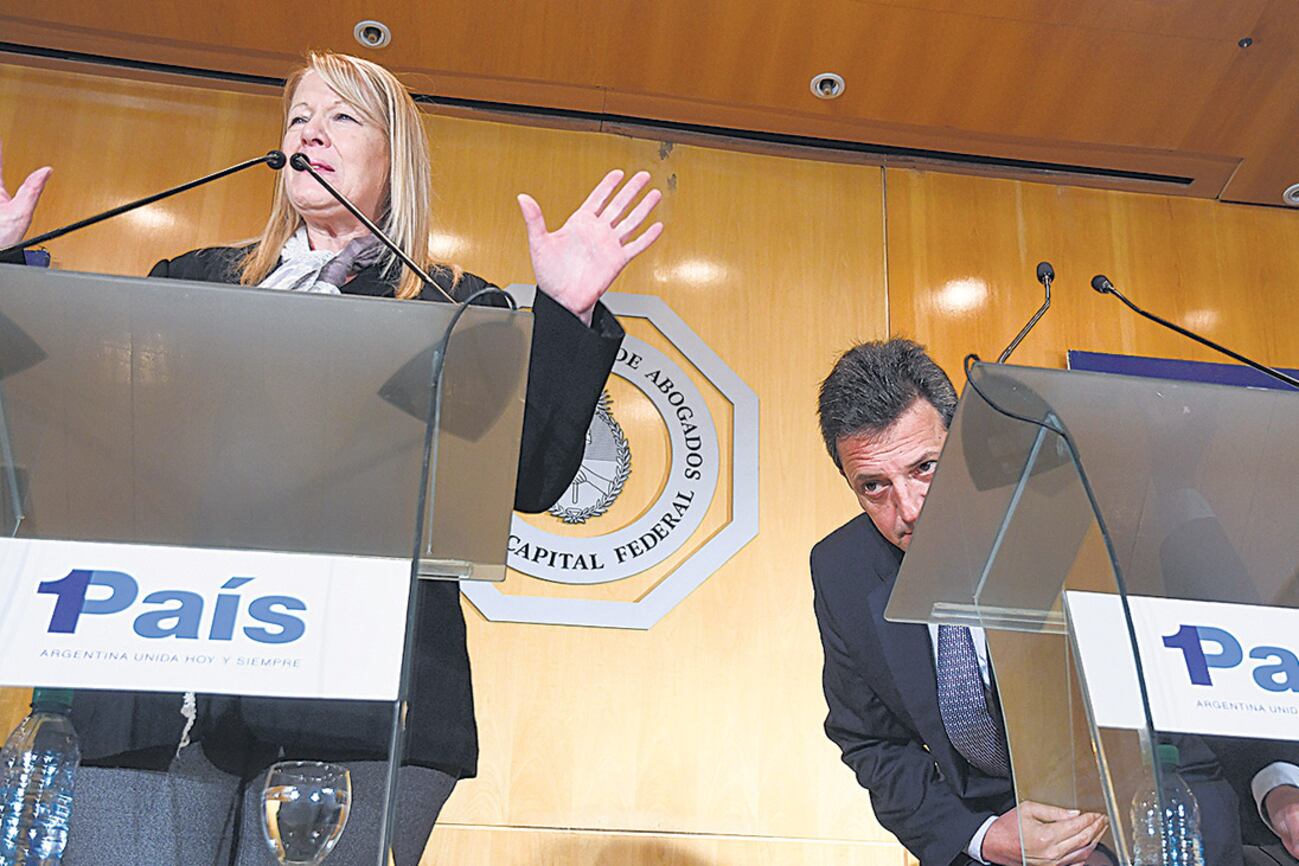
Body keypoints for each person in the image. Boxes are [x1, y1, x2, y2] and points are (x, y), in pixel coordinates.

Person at [0, 50, 660, 866]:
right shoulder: (187, 281)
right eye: (298, 119)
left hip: (358, 699)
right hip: (150, 675)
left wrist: (565, 311)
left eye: (343, 117)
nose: (311, 132)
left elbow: (524, 477)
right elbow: (61, 430)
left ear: (396, 159)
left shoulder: (452, 306)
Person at [810, 339, 1259, 866]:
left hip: (1145, 797)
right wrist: (979, 837)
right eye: (873, 486)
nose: (907, 509)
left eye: (925, 467)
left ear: (962, 445)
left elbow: (1199, 686)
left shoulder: (1069, 514)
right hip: (994, 828)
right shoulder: (841, 569)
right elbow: (869, 739)